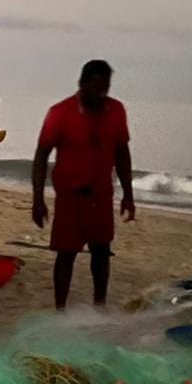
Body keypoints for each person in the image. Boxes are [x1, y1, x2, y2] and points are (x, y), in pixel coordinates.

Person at [31, 59, 135, 309]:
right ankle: (60, 308)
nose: (102, 94)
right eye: (97, 88)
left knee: (101, 253)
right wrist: (38, 200)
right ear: (82, 83)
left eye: (106, 89)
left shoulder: (116, 110)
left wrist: (128, 195)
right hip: (70, 196)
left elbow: (122, 153)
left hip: (101, 195)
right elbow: (41, 156)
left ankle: (100, 303)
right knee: (66, 255)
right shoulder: (61, 112)